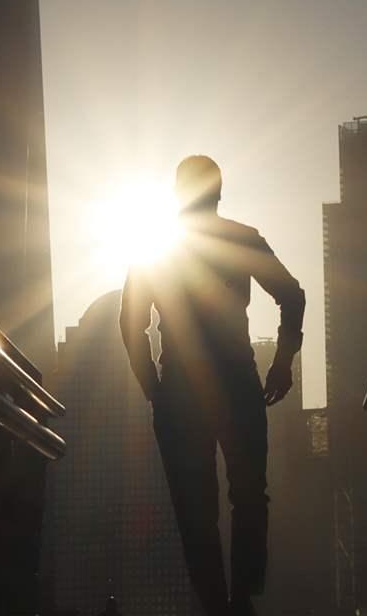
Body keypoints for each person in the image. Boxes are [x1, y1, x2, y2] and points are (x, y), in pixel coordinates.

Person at [119, 155, 306, 616]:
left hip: (183, 390)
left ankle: (220, 605)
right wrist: (282, 363)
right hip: (234, 381)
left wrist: (153, 386)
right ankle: (241, 597)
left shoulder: (156, 247)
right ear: (219, 192)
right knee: (247, 494)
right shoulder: (239, 238)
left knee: (196, 506)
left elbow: (131, 322)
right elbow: (292, 295)